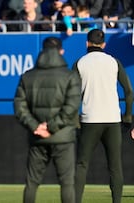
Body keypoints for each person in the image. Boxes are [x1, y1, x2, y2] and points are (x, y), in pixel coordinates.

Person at [14, 37, 81, 203]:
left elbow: (19, 106)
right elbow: (71, 107)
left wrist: (36, 126)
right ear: (61, 51)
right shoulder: (70, 76)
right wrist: (51, 127)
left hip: (37, 138)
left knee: (31, 183)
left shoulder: (27, 76)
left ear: (42, 51)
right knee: (67, 183)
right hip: (63, 137)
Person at [73, 29, 133, 203]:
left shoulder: (80, 63)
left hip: (89, 119)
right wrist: (128, 117)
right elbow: (129, 92)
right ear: (104, 44)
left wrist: (75, 121)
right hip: (112, 120)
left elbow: (72, 95)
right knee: (115, 167)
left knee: (82, 164)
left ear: (87, 43)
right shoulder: (113, 62)